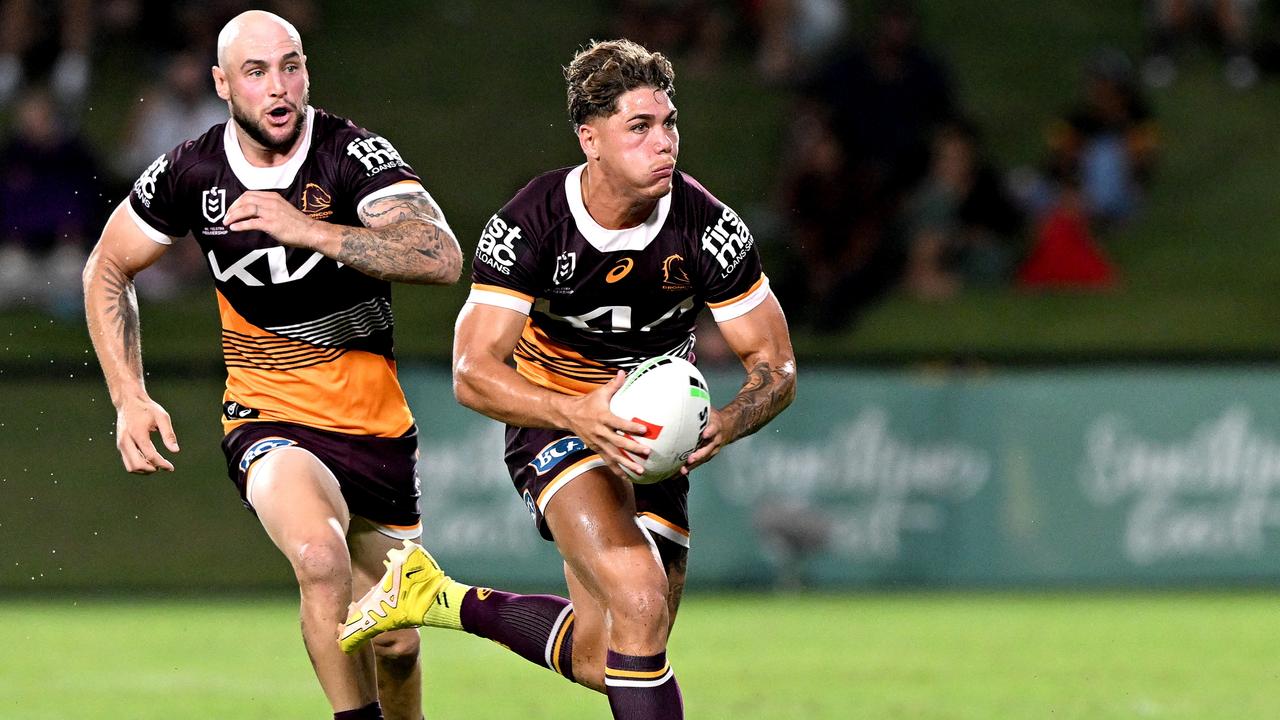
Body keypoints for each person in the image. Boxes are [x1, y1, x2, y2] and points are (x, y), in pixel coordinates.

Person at [340, 39, 797, 720]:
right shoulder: (532, 225)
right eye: (638, 128)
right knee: (638, 596)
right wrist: (576, 412)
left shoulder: (707, 229)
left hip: (653, 442)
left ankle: (441, 598)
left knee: (606, 656)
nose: (664, 142)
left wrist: (729, 421)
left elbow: (777, 367)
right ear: (592, 140)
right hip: (555, 424)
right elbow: (472, 372)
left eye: (668, 123)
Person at [82, 11, 461, 720]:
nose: (278, 86)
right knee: (319, 559)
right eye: (256, 72)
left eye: (290, 66)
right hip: (271, 417)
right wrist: (129, 396)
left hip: (376, 429)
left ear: (307, 71)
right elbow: (107, 267)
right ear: (223, 84)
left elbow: (440, 257)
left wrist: (307, 228)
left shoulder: (351, 155)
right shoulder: (194, 171)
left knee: (399, 646)